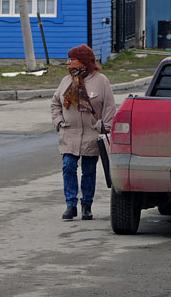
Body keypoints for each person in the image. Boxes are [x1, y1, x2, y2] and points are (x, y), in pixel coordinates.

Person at [51, 44, 116, 221]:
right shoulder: (66, 81)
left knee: (88, 171)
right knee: (68, 166)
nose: (68, 63)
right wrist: (58, 122)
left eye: (72, 60)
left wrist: (105, 128)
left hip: (91, 134)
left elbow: (110, 107)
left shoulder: (101, 81)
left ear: (84, 62)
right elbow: (55, 103)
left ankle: (86, 205)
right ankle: (70, 204)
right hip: (69, 133)